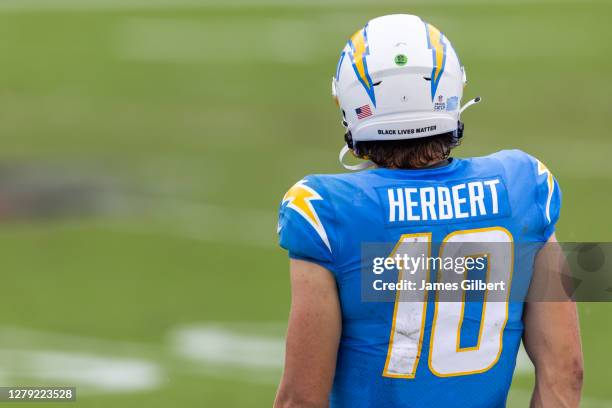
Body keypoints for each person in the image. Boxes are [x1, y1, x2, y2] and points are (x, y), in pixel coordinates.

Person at [274, 14, 582, 408]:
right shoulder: (524, 186)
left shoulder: (325, 209)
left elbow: (301, 399)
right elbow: (565, 374)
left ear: (353, 105)